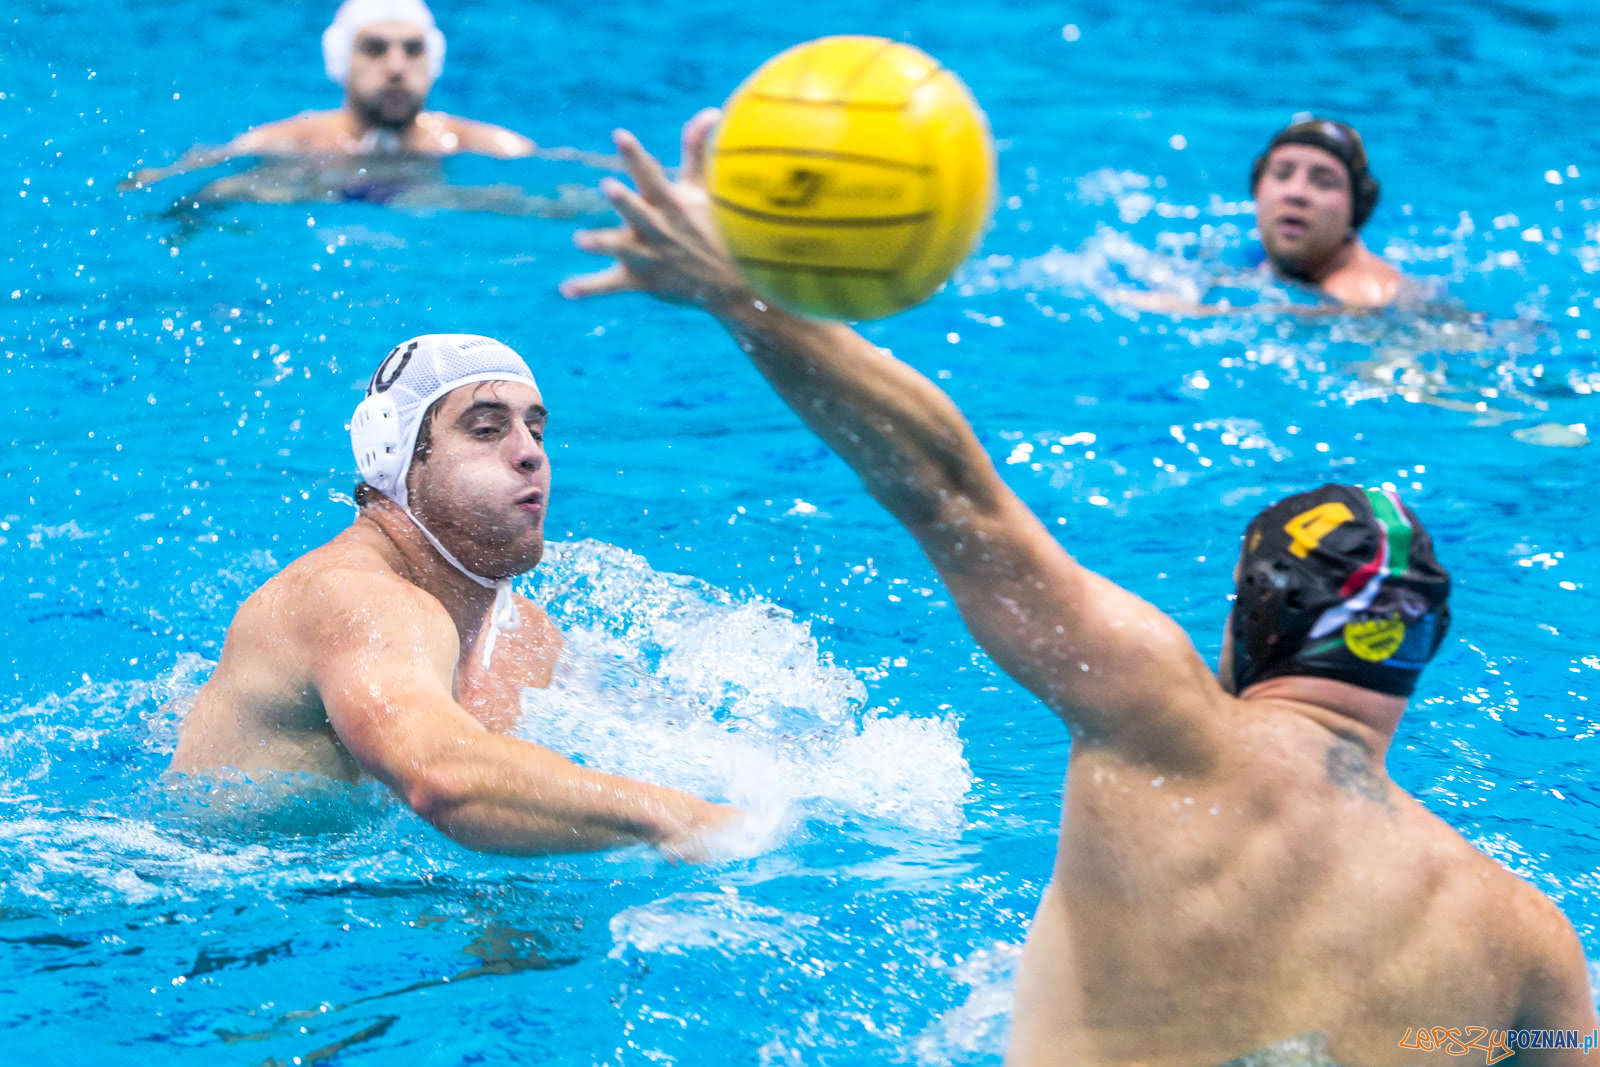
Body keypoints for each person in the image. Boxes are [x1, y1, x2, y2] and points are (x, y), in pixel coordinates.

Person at [560, 111, 1599, 1064]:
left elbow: (945, 490)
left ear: (1247, 620)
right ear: (1419, 648)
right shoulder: (1531, 947)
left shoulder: (1161, 721)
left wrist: (737, 290)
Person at [170, 333, 739, 860]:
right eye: (487, 430)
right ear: (394, 458)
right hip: (207, 908)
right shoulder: (353, 598)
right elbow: (443, 779)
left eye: (536, 431)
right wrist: (678, 819)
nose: (530, 453)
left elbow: (684, 740)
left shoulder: (523, 637)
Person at [120, 0, 615, 200]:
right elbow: (198, 181)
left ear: (433, 61)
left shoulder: (480, 143)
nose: (397, 66)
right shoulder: (293, 140)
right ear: (341, 60)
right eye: (375, 49)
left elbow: (571, 180)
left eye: (413, 50)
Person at [1120, 116, 1405, 314]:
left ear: (1359, 207)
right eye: (1282, 174)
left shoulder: (1365, 295)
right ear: (1257, 188)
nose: (1296, 193)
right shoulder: (1253, 259)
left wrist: (1193, 311)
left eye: (1324, 182)